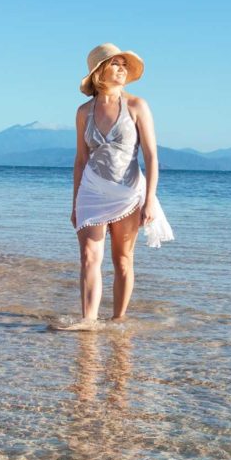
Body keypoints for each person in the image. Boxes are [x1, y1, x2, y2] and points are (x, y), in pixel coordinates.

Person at [67, 43, 174, 329]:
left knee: (122, 260)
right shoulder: (83, 112)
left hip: (128, 193)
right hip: (91, 190)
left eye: (124, 64)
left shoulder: (137, 106)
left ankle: (117, 321)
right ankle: (88, 321)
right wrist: (74, 202)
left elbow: (151, 156)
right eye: (115, 63)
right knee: (89, 256)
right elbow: (80, 159)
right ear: (99, 72)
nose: (122, 68)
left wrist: (149, 200)